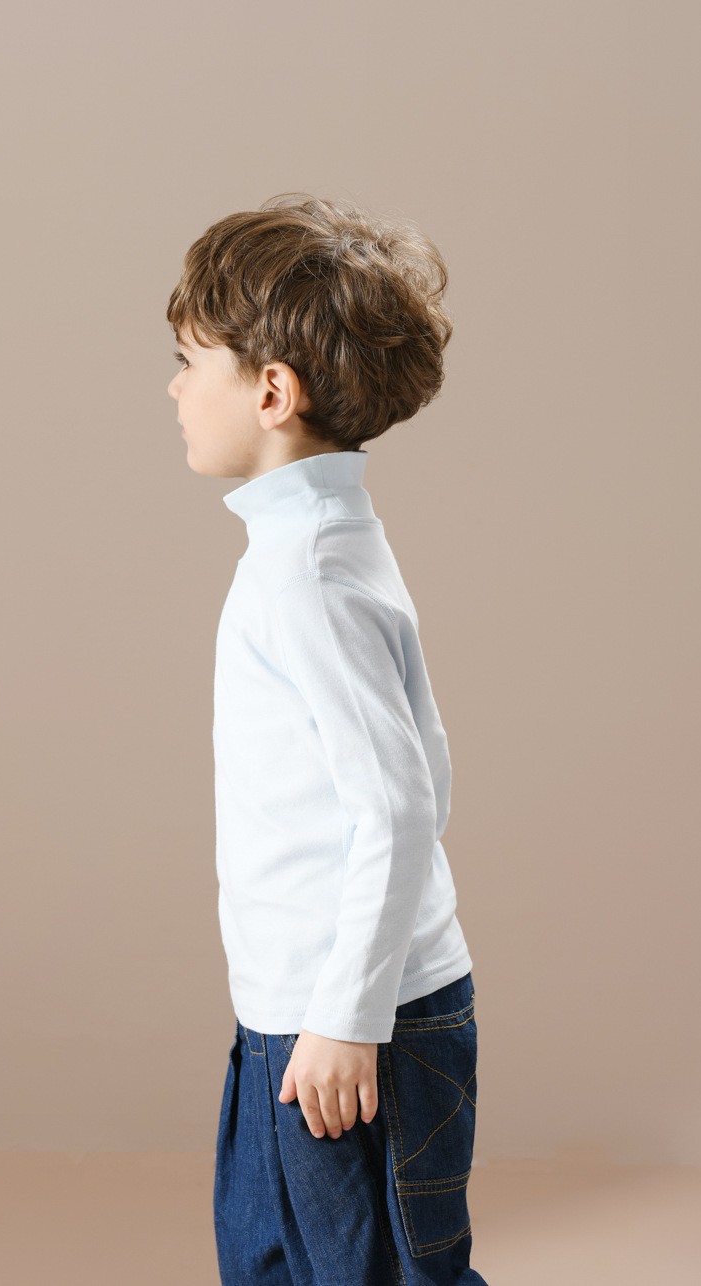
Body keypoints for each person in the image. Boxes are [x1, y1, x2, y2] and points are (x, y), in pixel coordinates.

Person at [166, 192, 489, 1285]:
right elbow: (425, 766)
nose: (173, 388)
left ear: (271, 391)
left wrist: (349, 1018)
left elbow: (399, 802)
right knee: (274, 1260)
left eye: (188, 362)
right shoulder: (316, 542)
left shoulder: (308, 571)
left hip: (349, 1027)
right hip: (294, 1012)